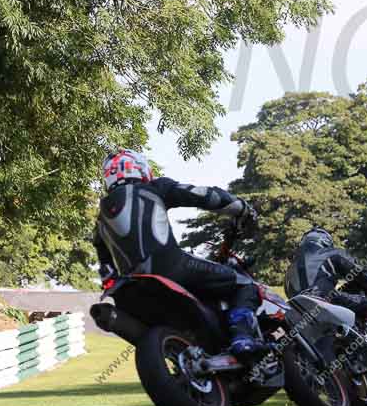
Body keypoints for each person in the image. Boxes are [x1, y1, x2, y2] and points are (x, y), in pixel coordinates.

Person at [92, 148, 263, 357]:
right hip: (173, 268)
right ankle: (242, 337)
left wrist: (113, 286)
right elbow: (204, 195)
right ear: (141, 169)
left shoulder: (101, 219)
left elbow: (106, 271)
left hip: (130, 290)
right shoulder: (156, 188)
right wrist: (242, 208)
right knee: (245, 285)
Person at [284, 227, 367, 318]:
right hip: (324, 300)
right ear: (325, 241)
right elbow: (361, 272)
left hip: (296, 311)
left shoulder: (290, 269)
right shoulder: (330, 252)